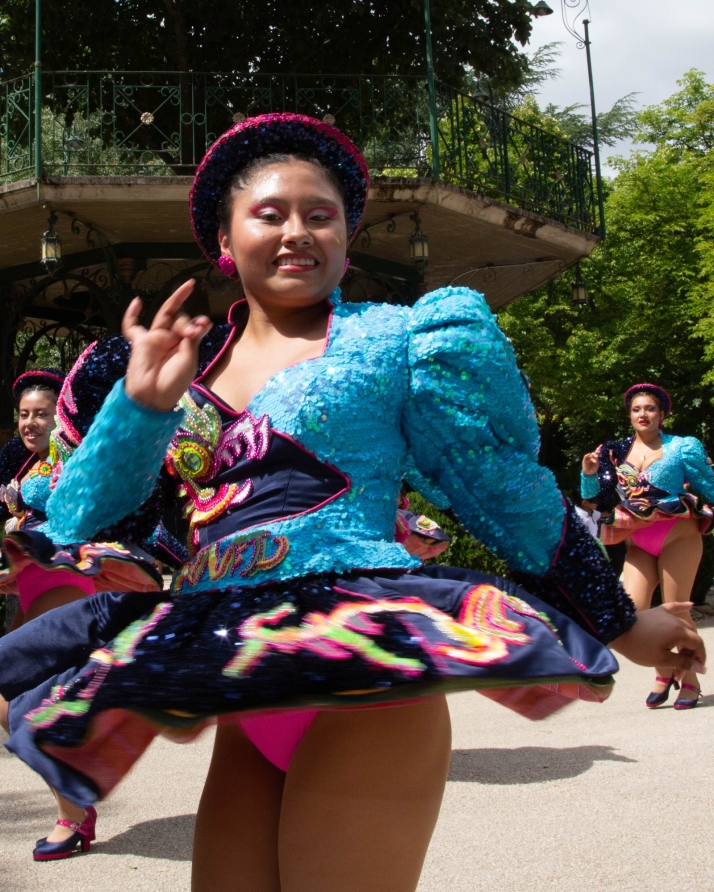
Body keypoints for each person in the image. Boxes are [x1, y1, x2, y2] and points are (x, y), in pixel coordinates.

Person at [0, 115, 704, 892]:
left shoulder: (398, 340)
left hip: (370, 670)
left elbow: (502, 490)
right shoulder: (180, 377)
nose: (298, 230)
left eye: (321, 214)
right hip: (249, 676)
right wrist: (139, 407)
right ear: (225, 243)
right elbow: (85, 525)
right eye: (270, 214)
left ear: (345, 235)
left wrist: (618, 617)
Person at [0, 366, 187, 861]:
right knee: (26, 696)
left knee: (39, 691)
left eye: (42, 413)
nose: (31, 423)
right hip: (34, 584)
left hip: (82, 582)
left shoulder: (86, 454)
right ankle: (73, 787)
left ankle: (72, 808)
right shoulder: (19, 465)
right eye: (24, 415)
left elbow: (115, 516)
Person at [581, 382, 714, 710]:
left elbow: (708, 486)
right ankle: (664, 670)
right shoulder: (613, 452)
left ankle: (690, 682)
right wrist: (588, 473)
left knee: (677, 608)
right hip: (639, 541)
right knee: (634, 614)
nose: (644, 414)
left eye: (650, 409)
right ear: (630, 416)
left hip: (678, 534)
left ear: (662, 415)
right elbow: (591, 500)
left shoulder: (683, 447)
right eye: (637, 409)